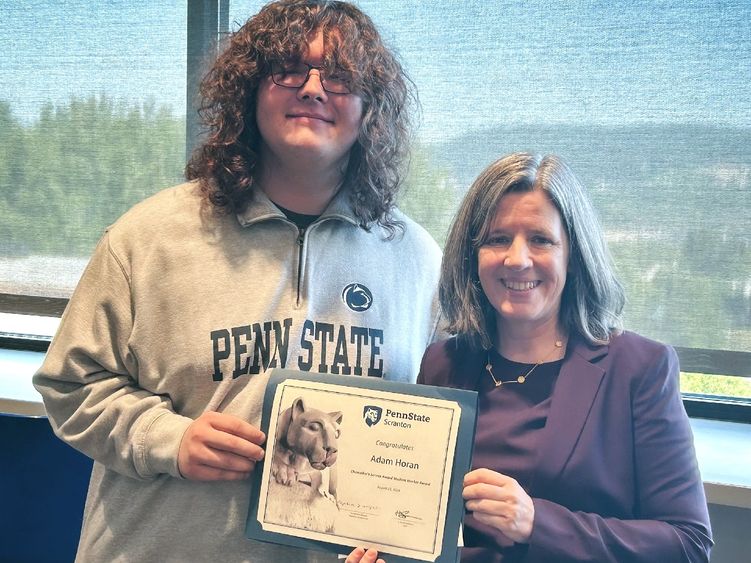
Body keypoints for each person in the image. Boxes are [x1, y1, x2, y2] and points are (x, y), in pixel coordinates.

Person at [32, 1, 442, 561]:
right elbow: (69, 385)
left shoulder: (416, 258)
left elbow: (422, 433)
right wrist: (170, 441)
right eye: (289, 68)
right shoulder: (149, 237)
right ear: (249, 91)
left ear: (371, 109)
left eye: (341, 76)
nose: (314, 89)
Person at [352, 152, 713, 562]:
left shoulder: (639, 369)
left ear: (572, 255)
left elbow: (688, 544)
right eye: (497, 239)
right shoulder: (443, 363)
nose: (517, 259)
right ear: (472, 255)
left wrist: (537, 523)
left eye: (540, 239)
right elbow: (417, 522)